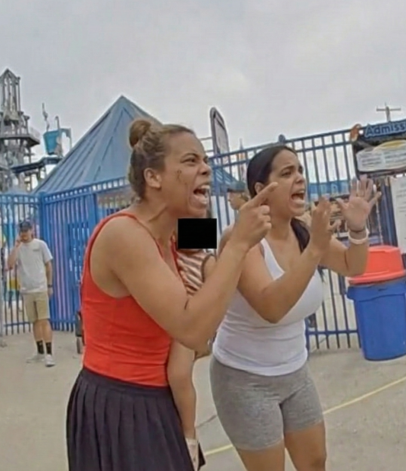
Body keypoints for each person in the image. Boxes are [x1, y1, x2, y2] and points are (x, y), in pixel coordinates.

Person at [66, 119, 276, 471]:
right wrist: (238, 243)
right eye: (191, 161)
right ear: (153, 177)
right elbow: (192, 329)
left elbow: (209, 278)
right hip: (121, 403)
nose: (206, 169)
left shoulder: (174, 231)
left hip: (155, 398)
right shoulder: (124, 234)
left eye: (205, 160)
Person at [211, 144, 379, 471]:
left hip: (295, 371)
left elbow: (351, 265)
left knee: (315, 461)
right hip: (245, 378)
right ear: (261, 190)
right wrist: (315, 248)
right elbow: (272, 307)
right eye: (286, 173)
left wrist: (357, 230)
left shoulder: (301, 230)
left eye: (299, 170)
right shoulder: (242, 238)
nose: (299, 178)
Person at [167, 241, 216, 470]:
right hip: (170, 315)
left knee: (179, 375)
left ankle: (189, 432)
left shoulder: (206, 261)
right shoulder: (170, 252)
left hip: (187, 321)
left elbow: (216, 300)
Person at [7, 220, 56, 367]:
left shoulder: (40, 245)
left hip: (40, 288)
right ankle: (40, 352)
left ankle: (49, 354)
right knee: (34, 321)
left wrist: (49, 285)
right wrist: (15, 247)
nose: (24, 234)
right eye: (22, 231)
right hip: (26, 290)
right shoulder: (19, 248)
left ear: (31, 230)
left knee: (44, 320)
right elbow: (9, 265)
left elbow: (48, 265)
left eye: (26, 231)